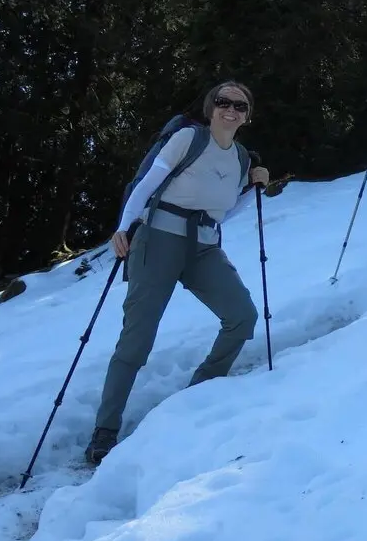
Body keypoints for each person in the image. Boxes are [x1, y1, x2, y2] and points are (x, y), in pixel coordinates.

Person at [84, 81, 270, 466]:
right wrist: (125, 226)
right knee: (138, 337)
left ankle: (198, 393)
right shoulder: (189, 139)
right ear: (210, 107)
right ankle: (104, 430)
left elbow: (224, 210)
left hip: (203, 246)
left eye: (239, 104)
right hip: (158, 239)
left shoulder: (239, 159)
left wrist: (253, 186)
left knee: (242, 316)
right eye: (223, 102)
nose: (230, 109)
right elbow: (148, 182)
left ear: (247, 115)